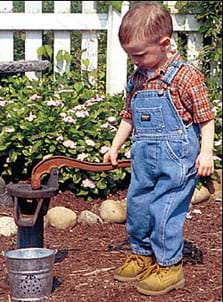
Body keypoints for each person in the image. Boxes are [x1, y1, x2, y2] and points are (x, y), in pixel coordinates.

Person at [103, 1, 215, 296]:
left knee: (164, 210)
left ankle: (169, 265)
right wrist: (115, 146)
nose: (135, 61)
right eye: (130, 55)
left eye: (139, 54)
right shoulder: (138, 79)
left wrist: (206, 153)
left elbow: (206, 119)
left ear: (164, 43)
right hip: (143, 160)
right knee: (138, 206)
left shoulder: (185, 77)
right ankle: (142, 254)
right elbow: (129, 116)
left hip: (177, 162)